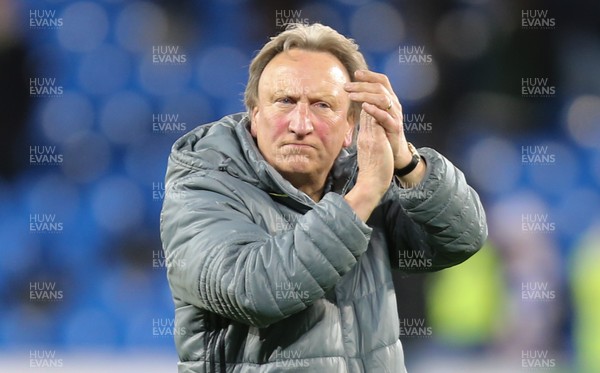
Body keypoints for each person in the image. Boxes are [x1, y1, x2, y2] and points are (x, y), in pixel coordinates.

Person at [160, 23, 487, 372]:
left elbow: (461, 238)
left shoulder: (360, 175)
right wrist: (362, 198)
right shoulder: (203, 183)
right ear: (254, 116)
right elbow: (252, 291)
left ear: (350, 126)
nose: (301, 123)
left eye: (322, 105)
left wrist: (405, 161)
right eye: (285, 101)